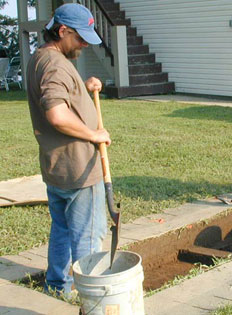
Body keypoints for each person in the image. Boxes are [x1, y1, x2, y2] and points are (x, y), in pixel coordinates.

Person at [26, 3, 111, 296]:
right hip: (79, 171)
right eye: (81, 38)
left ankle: (58, 286)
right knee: (88, 236)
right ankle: (90, 298)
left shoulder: (41, 57)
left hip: (57, 167)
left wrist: (82, 88)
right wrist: (94, 134)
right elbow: (57, 114)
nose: (85, 44)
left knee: (61, 230)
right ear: (63, 31)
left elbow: (59, 93)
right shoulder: (56, 64)